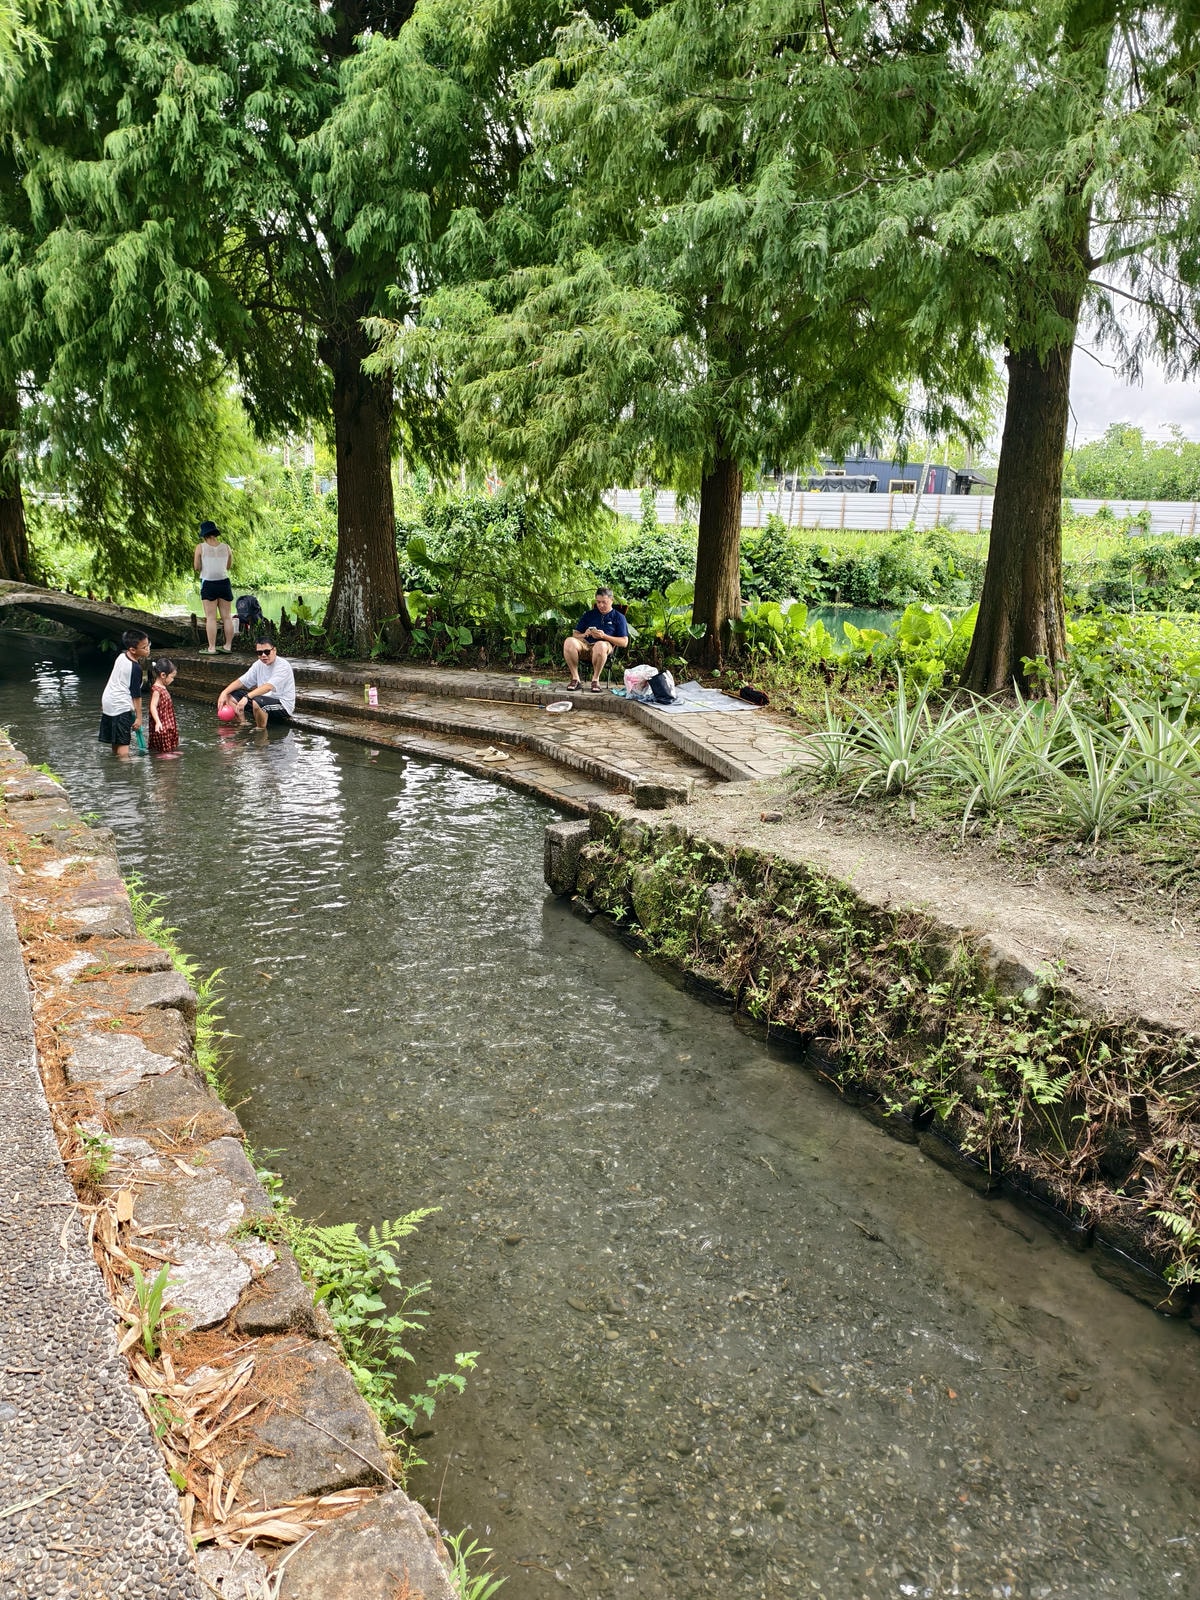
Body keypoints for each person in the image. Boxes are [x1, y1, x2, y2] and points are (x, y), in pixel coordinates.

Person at [216, 638, 296, 728]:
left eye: (267, 652)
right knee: (229, 696)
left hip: (282, 704)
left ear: (274, 650)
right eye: (259, 653)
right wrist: (224, 692)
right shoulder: (258, 664)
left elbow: (268, 687)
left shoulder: (283, 666)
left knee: (257, 701)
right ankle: (243, 724)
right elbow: (241, 681)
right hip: (261, 699)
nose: (263, 655)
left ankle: (260, 731)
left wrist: (247, 697)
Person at [564, 586, 628, 692]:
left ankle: (595, 680)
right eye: (598, 602)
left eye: (604, 602)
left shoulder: (619, 617)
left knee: (600, 645)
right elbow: (575, 634)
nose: (600, 605)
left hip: (604, 647)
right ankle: (575, 679)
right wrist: (585, 634)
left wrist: (604, 636)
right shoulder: (589, 614)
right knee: (569, 641)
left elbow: (624, 642)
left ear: (611, 601)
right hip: (585, 646)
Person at [98, 629, 150, 757]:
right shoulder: (136, 668)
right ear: (133, 650)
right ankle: (125, 772)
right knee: (123, 746)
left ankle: (114, 768)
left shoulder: (121, 656)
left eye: (148, 645)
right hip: (120, 705)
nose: (148, 649)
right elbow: (136, 695)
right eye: (144, 647)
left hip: (108, 701)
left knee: (116, 740)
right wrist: (138, 718)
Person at [194, 520, 234, 654]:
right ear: (215, 533)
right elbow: (228, 566)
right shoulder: (227, 547)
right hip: (224, 582)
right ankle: (227, 646)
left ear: (204, 534)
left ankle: (211, 648)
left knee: (211, 618)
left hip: (208, 582)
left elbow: (196, 567)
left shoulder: (200, 547)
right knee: (227, 617)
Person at [147, 657, 180, 755]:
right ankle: (163, 755)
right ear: (163, 675)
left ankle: (170, 751)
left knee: (170, 736)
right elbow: (152, 706)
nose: (173, 680)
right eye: (172, 677)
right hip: (162, 723)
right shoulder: (157, 690)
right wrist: (157, 722)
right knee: (163, 737)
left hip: (168, 721)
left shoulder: (162, 687)